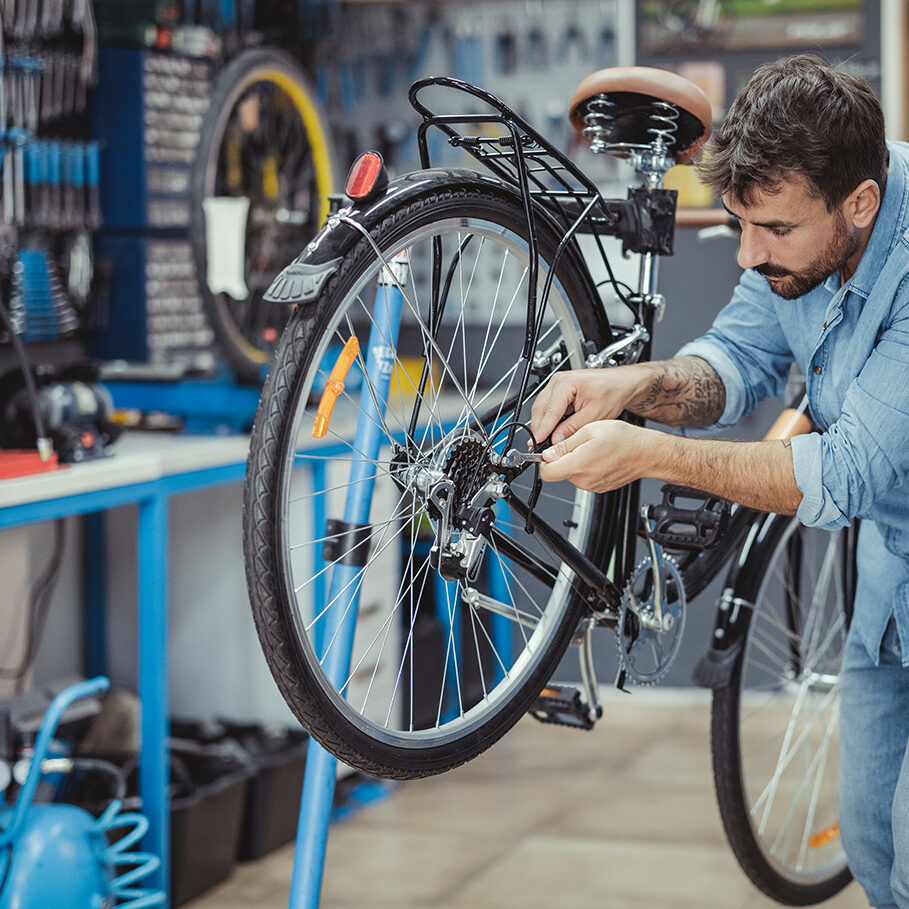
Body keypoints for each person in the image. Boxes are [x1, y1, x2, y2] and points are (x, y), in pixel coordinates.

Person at [530, 54, 909, 908]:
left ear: (860, 203)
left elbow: (842, 474)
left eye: (772, 229)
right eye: (739, 222)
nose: (748, 252)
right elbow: (731, 364)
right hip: (892, 574)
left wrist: (644, 453)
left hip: (878, 506)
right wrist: (629, 387)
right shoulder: (788, 239)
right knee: (875, 848)